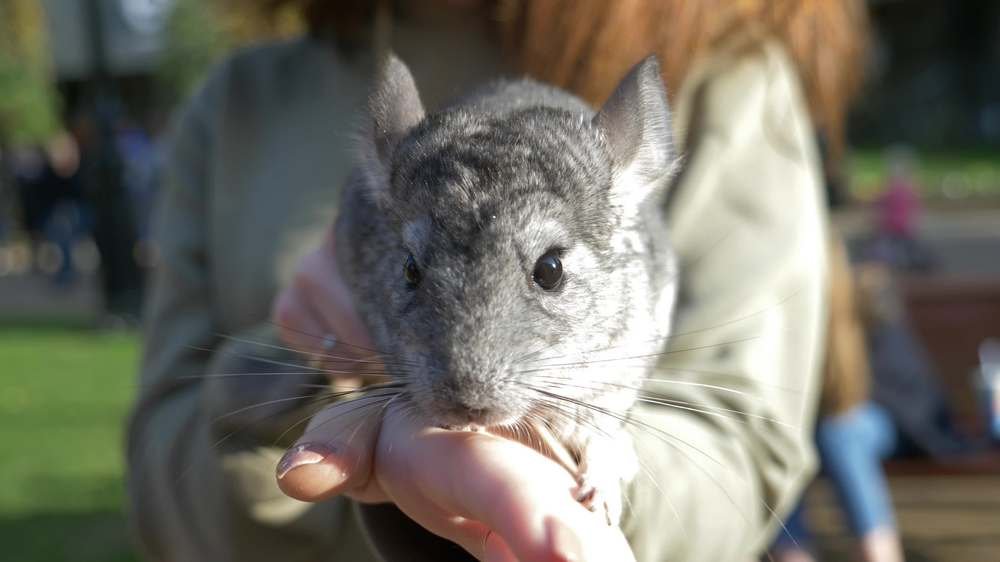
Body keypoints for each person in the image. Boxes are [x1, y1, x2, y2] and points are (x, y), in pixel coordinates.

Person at [126, 1, 868, 560]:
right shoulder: (243, 100)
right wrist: (296, 388)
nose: (470, 378)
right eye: (411, 269)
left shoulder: (725, 68)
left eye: (547, 272)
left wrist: (589, 479)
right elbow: (161, 463)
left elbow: (747, 438)